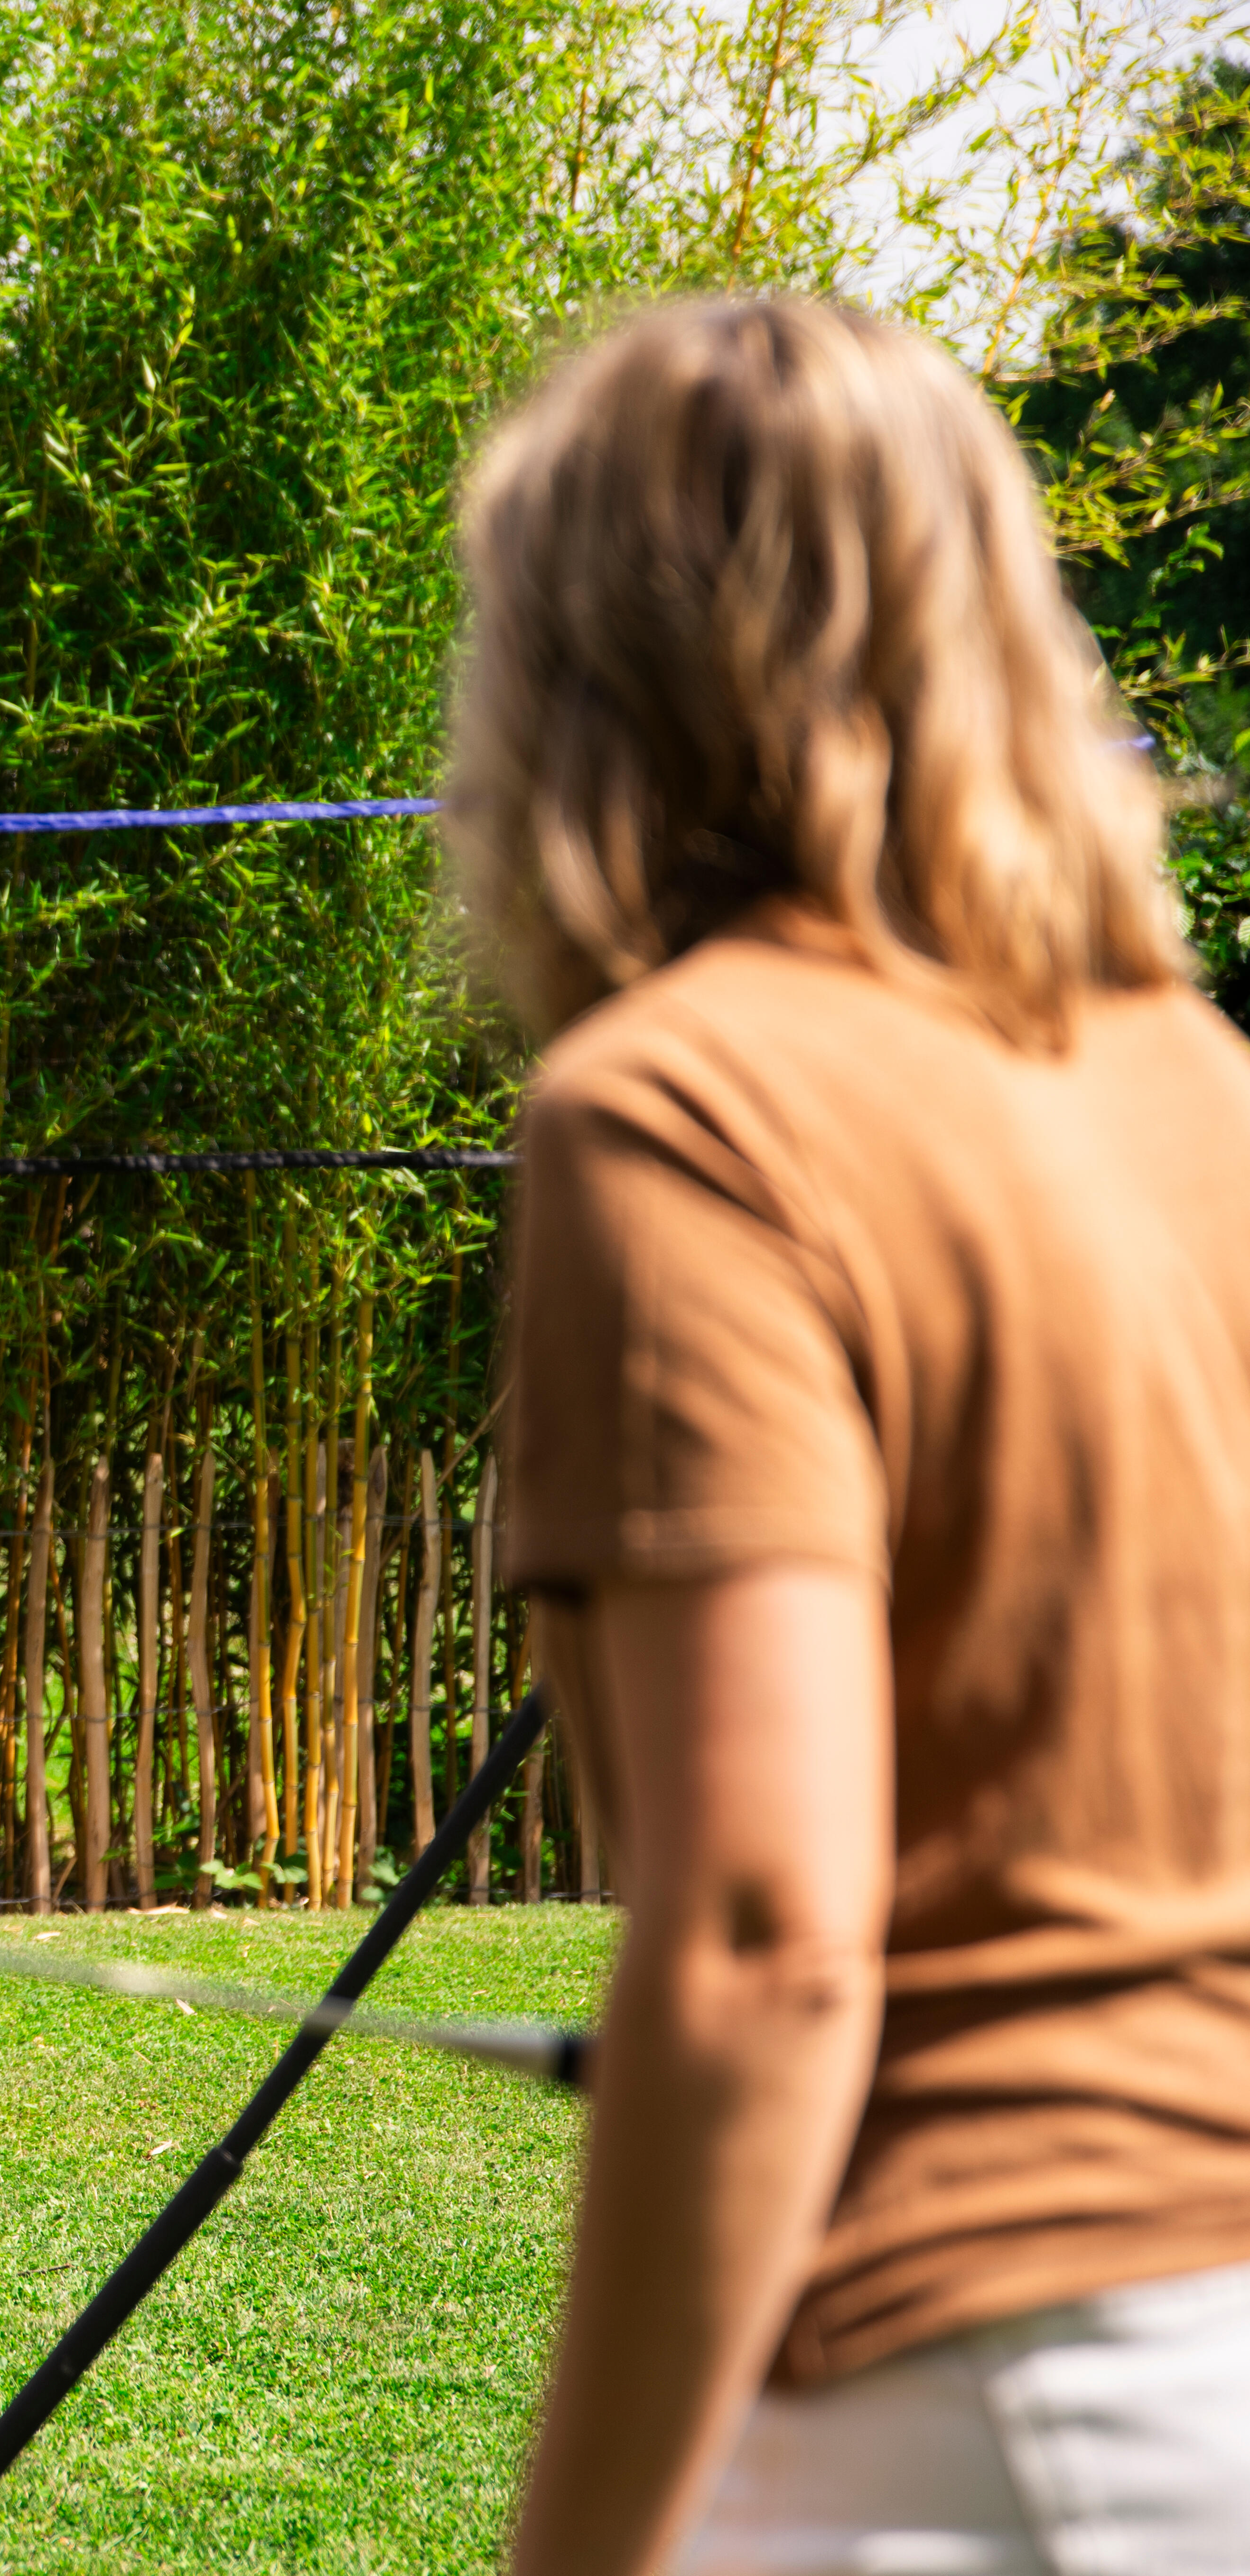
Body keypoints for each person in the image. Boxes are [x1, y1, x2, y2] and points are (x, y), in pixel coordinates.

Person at [453, 299, 1250, 2576]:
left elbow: (769, 1932)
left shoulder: (676, 1103)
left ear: (583, 667)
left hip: (992, 2386)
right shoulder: (1192, 1075)